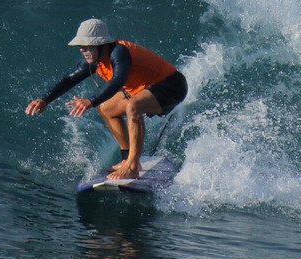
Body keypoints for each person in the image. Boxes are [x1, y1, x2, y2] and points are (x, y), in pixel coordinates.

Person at [25, 18, 188, 180]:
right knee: (106, 108)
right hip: (144, 90)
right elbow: (69, 79)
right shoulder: (93, 61)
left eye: (86, 45)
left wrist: (90, 101)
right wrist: (44, 99)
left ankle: (132, 166)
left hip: (172, 86)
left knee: (133, 106)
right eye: (80, 46)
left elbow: (118, 81)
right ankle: (127, 159)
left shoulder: (119, 52)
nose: (82, 49)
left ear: (100, 44)